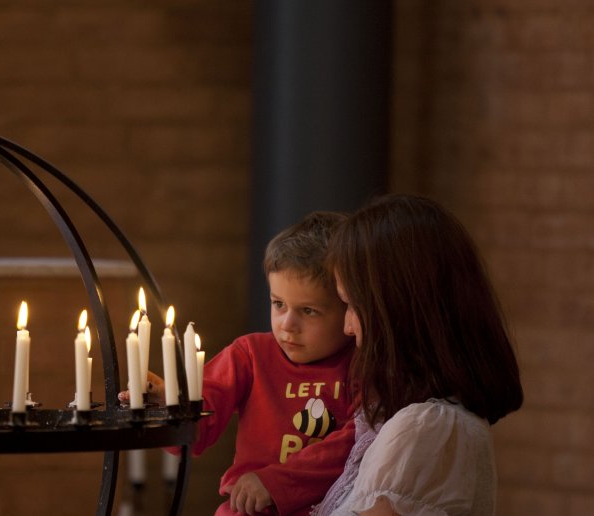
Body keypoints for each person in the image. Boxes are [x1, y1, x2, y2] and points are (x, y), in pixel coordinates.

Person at [126, 212, 358, 515]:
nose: (287, 324)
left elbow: (356, 445)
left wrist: (276, 482)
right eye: (278, 304)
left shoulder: (362, 364)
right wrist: (167, 405)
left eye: (309, 311)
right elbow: (197, 426)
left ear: (349, 309)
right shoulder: (250, 354)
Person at [312, 194, 524, 516]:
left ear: (398, 310)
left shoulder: (428, 428)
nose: (348, 327)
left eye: (353, 304)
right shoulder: (426, 424)